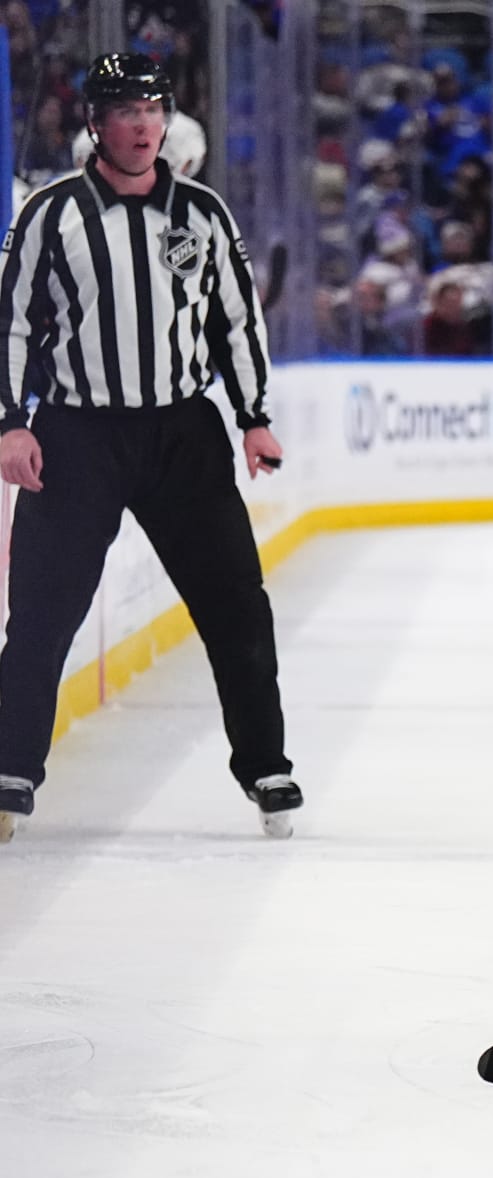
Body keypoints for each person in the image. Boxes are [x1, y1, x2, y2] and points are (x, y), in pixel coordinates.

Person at [0, 54, 301, 843]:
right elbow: (13, 323)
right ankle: (9, 772)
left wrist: (253, 415)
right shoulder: (49, 213)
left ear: (167, 119)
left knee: (237, 605)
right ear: (94, 123)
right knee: (39, 616)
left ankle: (266, 764)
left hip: (182, 435)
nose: (140, 123)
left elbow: (236, 321)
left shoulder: (202, 213)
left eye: (151, 108)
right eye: (123, 110)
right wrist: (9, 421)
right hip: (76, 435)